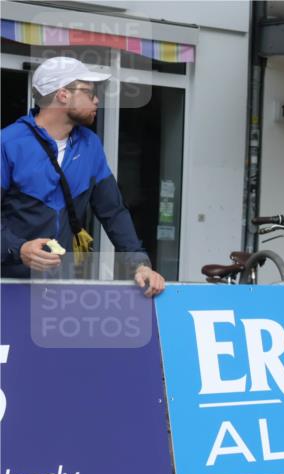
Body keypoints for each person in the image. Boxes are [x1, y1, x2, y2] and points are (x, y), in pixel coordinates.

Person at [1, 57, 165, 296]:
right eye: (89, 92)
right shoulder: (8, 143)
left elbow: (114, 212)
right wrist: (19, 249)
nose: (96, 99)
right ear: (63, 95)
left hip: (60, 289)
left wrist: (140, 264)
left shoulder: (90, 145)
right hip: (8, 287)